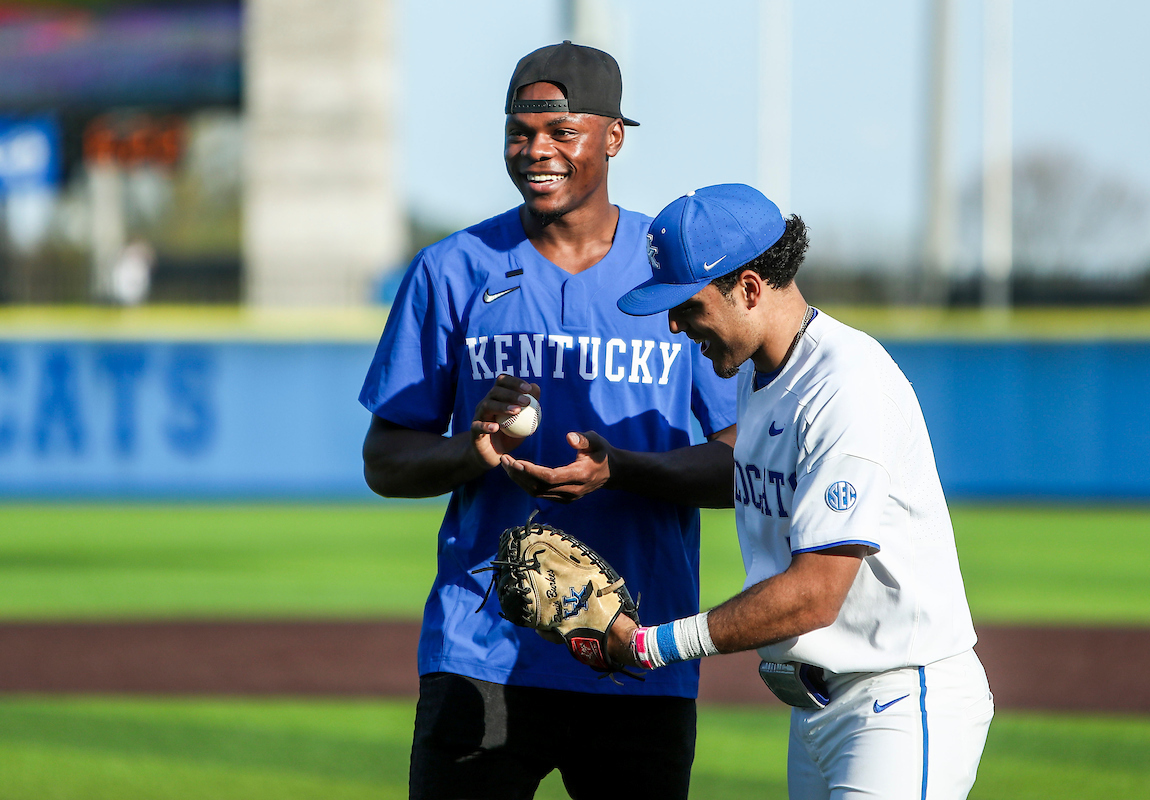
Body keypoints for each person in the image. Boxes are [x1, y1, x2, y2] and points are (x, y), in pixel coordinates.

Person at [358, 43, 737, 800]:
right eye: (520, 131)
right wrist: (473, 453)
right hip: (482, 652)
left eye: (562, 131)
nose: (537, 151)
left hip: (637, 650)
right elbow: (385, 459)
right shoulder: (453, 268)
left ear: (614, 138)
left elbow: (743, 464)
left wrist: (622, 469)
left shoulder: (674, 272)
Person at [613, 184, 993, 800]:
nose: (675, 324)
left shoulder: (845, 388)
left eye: (688, 304)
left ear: (750, 288)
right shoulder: (767, 369)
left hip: (897, 702)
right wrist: (619, 470)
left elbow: (815, 593)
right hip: (818, 708)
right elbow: (740, 469)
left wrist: (649, 646)